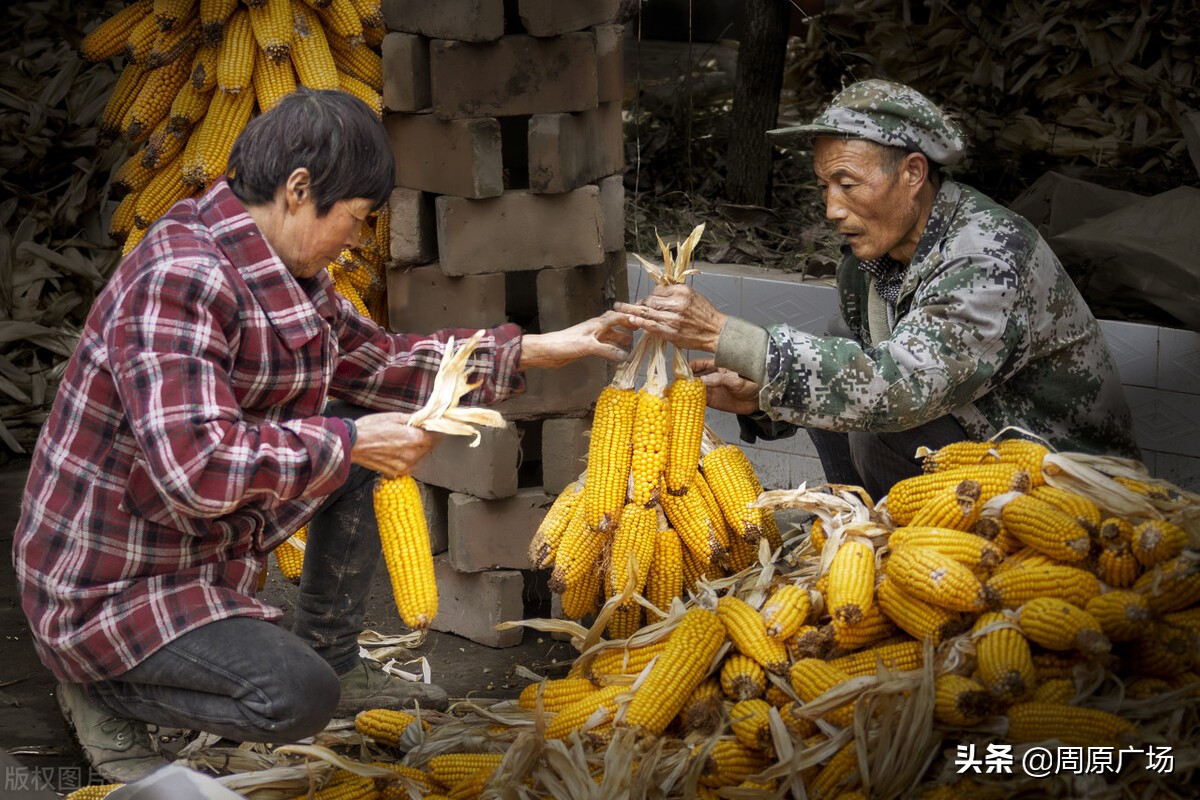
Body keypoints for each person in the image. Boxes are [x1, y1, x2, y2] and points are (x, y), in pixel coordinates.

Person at [11, 88, 632, 783]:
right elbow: (195, 466)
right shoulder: (179, 277)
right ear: (299, 189)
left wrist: (546, 348)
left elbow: (383, 364)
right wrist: (347, 441)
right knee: (295, 698)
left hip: (184, 548)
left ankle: (334, 651)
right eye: (357, 220)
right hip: (108, 586)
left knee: (354, 445)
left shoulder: (284, 272)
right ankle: (102, 692)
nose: (357, 240)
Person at [616, 78, 1139, 501]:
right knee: (828, 393)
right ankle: (873, 545)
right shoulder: (870, 263)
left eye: (848, 183)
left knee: (875, 421)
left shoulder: (987, 256)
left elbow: (901, 391)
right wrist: (760, 400)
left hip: (1068, 489)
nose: (832, 209)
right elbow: (845, 372)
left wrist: (726, 334)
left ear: (913, 172)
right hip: (974, 459)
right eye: (824, 186)